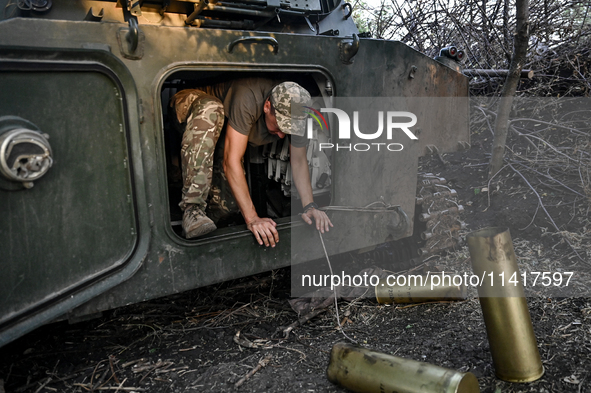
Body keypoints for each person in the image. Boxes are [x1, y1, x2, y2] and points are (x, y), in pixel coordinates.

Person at [170, 77, 333, 247]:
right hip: (191, 104)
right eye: (279, 126)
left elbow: (298, 160)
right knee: (211, 109)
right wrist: (253, 218)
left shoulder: (296, 113)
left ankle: (206, 225)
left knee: (229, 206)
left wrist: (310, 206)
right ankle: (192, 209)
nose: (282, 136)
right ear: (267, 106)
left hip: (224, 126)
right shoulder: (248, 97)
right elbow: (231, 162)